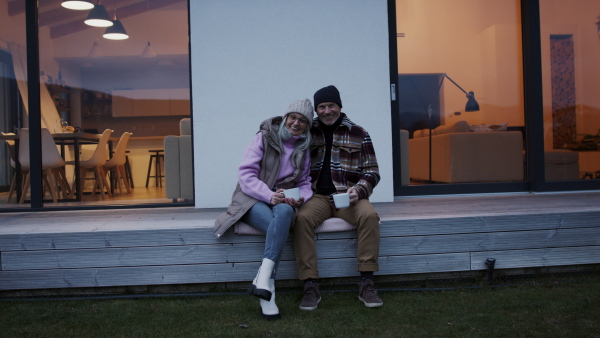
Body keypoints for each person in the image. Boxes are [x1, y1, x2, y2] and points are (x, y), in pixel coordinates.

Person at [214, 98, 314, 320]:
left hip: (283, 201)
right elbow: (246, 175)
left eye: (303, 120)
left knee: (285, 214)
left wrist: (301, 198)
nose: (296, 123)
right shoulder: (264, 137)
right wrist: (270, 196)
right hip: (252, 198)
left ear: (308, 125)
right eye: (293, 117)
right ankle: (267, 289)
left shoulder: (303, 147)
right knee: (276, 228)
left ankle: (263, 281)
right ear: (286, 117)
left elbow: (305, 181)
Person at [293, 85, 382, 310]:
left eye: (331, 105)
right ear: (316, 110)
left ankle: (366, 282)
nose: (326, 111)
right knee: (301, 219)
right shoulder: (306, 131)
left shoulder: (359, 133)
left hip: (349, 196)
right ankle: (310, 284)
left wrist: (359, 190)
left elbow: (372, 171)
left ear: (339, 106)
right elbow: (284, 140)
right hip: (316, 197)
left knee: (370, 216)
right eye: (321, 107)